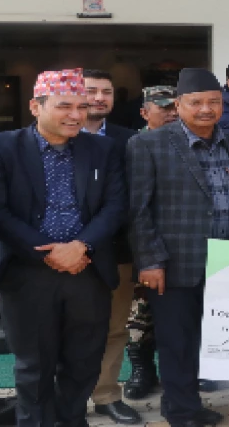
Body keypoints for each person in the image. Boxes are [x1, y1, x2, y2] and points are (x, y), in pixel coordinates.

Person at [0, 68, 128, 427]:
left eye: (81, 107)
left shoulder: (102, 149)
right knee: (34, 365)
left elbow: (116, 206)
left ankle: (72, 419)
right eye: (64, 106)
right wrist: (50, 252)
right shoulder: (0, 147)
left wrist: (82, 246)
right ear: (36, 106)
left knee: (84, 360)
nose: (76, 115)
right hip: (26, 271)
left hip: (87, 270)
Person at [128, 68, 229, 427]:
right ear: (178, 105)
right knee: (176, 342)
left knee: (205, 339)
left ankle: (189, 403)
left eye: (213, 102)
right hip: (175, 263)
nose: (206, 109)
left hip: (226, 262)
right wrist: (150, 260)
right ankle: (180, 412)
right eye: (196, 102)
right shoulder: (149, 144)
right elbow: (137, 209)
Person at [81, 68, 144, 425]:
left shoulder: (130, 140)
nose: (99, 98)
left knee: (115, 328)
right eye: (91, 90)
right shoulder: (55, 136)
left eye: (106, 92)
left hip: (118, 250)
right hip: (61, 254)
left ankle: (106, 395)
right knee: (64, 329)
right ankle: (67, 397)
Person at [122, 85, 178, 401]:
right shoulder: (134, 145)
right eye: (164, 108)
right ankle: (142, 370)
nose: (172, 113)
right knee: (140, 314)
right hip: (144, 242)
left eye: (175, 107)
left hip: (183, 243)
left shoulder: (190, 142)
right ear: (145, 113)